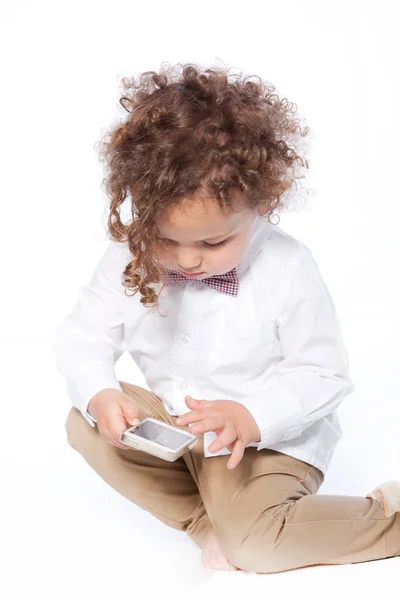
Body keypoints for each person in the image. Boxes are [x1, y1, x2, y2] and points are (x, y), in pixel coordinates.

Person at [52, 62, 400, 574]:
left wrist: (251, 417)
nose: (188, 260)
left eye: (213, 242)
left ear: (260, 205)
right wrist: (101, 394)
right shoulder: (129, 256)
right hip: (180, 427)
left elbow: (324, 375)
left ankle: (386, 518)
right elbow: (84, 336)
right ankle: (205, 521)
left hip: (266, 441)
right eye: (166, 240)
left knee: (259, 547)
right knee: (83, 420)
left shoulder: (288, 267)